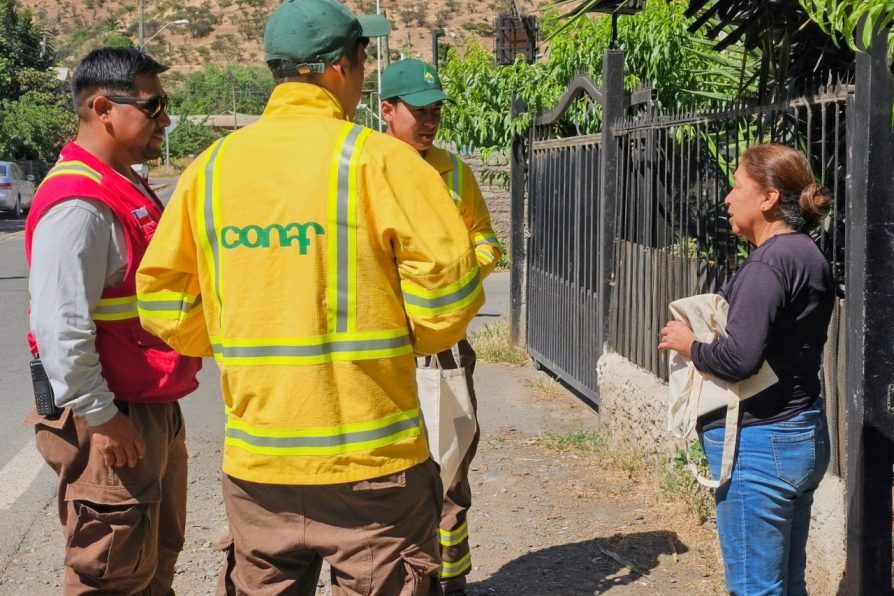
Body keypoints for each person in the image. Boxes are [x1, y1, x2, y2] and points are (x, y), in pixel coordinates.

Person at [136, 1, 484, 594]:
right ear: (338, 69)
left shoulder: (211, 169)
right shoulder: (383, 162)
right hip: (373, 466)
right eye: (363, 60)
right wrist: (404, 338)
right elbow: (447, 299)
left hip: (259, 468)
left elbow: (164, 302)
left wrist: (241, 339)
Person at [25, 47, 202, 594]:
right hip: (110, 415)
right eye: (155, 106)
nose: (166, 119)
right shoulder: (80, 202)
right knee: (111, 572)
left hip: (146, 404)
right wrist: (102, 418)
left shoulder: (124, 182)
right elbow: (60, 326)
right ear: (103, 107)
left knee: (153, 559)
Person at [658, 143, 834, 595]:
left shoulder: (769, 264)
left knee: (756, 587)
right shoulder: (808, 255)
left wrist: (689, 344)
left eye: (737, 187)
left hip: (759, 444)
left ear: (768, 198)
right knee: (787, 582)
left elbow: (740, 359)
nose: (728, 198)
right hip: (801, 431)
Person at [380, 58, 502, 596]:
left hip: (447, 350)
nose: (430, 123)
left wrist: (466, 265)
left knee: (451, 470)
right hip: (383, 351)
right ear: (387, 110)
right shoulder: (368, 168)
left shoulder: (454, 173)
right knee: (389, 478)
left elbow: (485, 238)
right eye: (419, 112)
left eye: (436, 113)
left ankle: (450, 583)